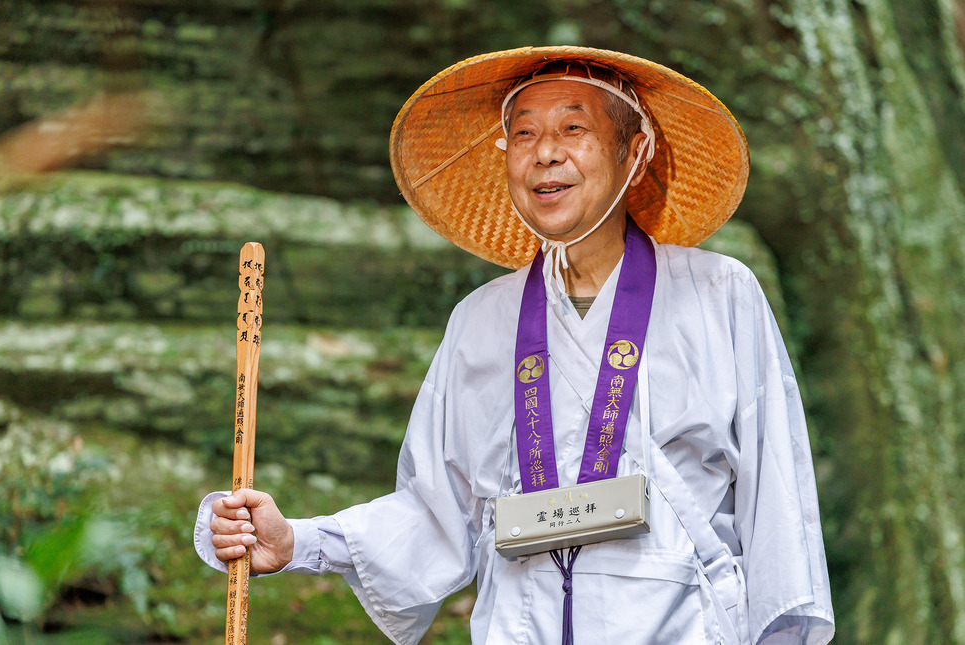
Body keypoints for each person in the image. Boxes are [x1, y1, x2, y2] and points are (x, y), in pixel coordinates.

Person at [194, 46, 835, 644]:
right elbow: (435, 513)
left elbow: (776, 503)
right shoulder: (481, 320)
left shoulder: (719, 293)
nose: (544, 154)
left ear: (634, 152)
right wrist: (298, 540)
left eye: (572, 129)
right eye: (524, 133)